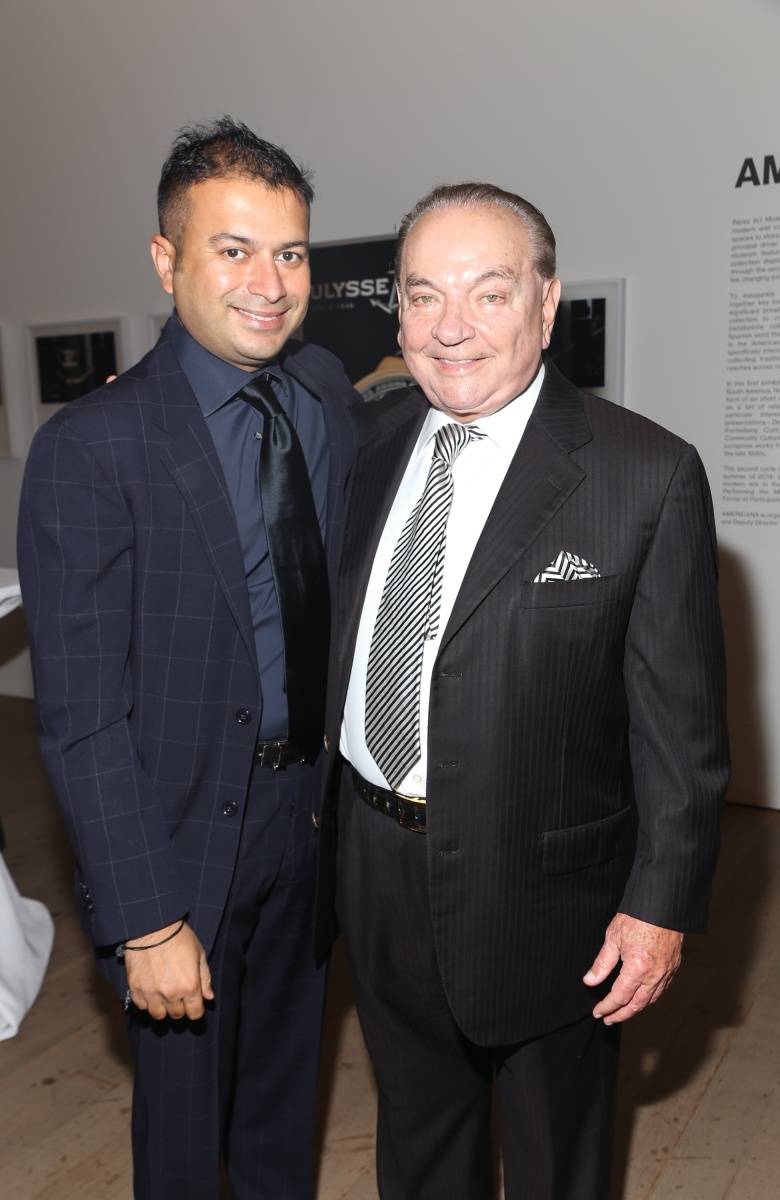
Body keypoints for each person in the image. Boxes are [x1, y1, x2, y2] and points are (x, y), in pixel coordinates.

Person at [315, 182, 729, 1199]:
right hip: (375, 865)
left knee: (554, 1161)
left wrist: (659, 909)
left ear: (546, 305)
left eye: (488, 293)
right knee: (419, 1142)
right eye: (423, 295)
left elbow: (683, 737)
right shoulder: (368, 448)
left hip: (549, 901)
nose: (450, 327)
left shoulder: (645, 475)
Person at [18, 117, 357, 1199]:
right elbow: (80, 717)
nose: (270, 282)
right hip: (176, 847)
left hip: (306, 823)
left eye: (290, 253)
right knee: (181, 1140)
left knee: (281, 1116)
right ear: (166, 262)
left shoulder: (324, 396)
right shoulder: (90, 448)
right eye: (234, 249)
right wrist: (145, 917)